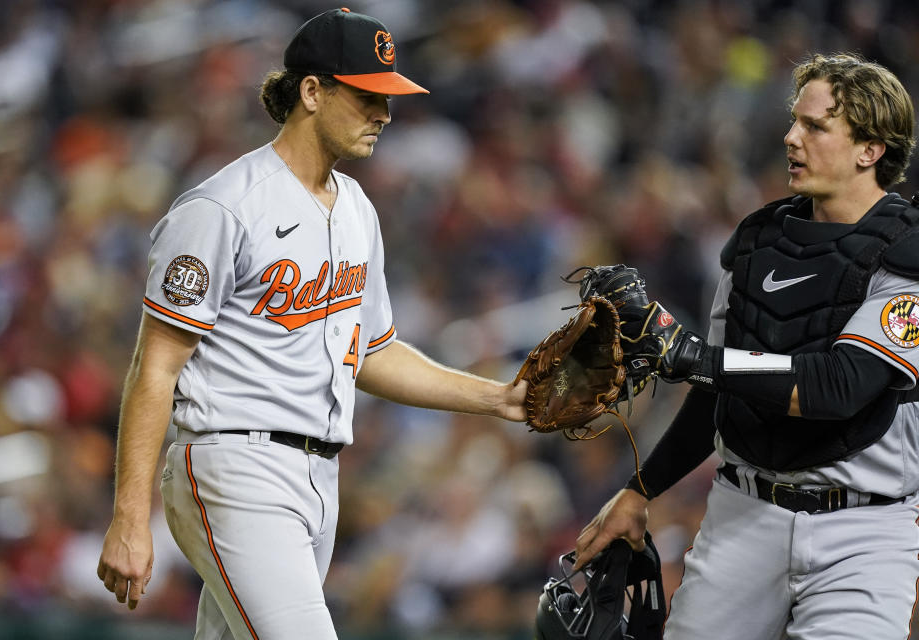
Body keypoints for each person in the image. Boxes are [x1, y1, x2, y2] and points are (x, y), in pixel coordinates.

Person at [95, 8, 528, 639]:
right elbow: (154, 365)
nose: (384, 114)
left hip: (319, 479)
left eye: (389, 99)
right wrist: (129, 516)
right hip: (234, 464)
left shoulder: (356, 208)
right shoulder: (224, 206)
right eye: (367, 96)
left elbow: (372, 353)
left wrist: (496, 398)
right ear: (312, 91)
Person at [574, 53, 919, 640]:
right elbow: (718, 393)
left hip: (865, 532)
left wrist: (689, 356)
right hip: (744, 513)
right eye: (794, 121)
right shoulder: (759, 243)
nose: (791, 137)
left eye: (815, 126)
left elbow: (840, 389)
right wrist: (640, 489)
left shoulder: (908, 257)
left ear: (870, 149)